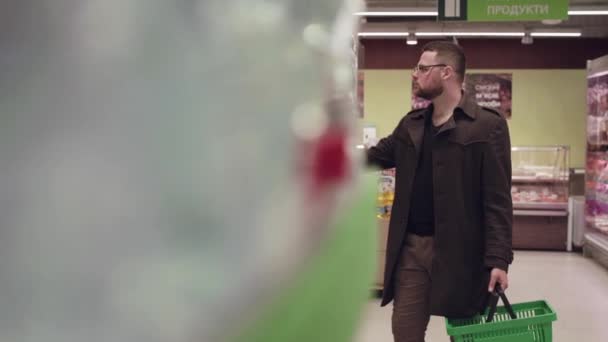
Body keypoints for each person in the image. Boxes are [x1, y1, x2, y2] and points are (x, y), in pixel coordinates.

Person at [366, 41, 513, 342]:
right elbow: (376, 156)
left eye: (422, 68)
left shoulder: (486, 126)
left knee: (465, 333)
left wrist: (499, 260)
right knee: (405, 331)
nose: (415, 74)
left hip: (463, 252)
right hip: (411, 249)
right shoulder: (412, 125)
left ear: (446, 72)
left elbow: (497, 200)